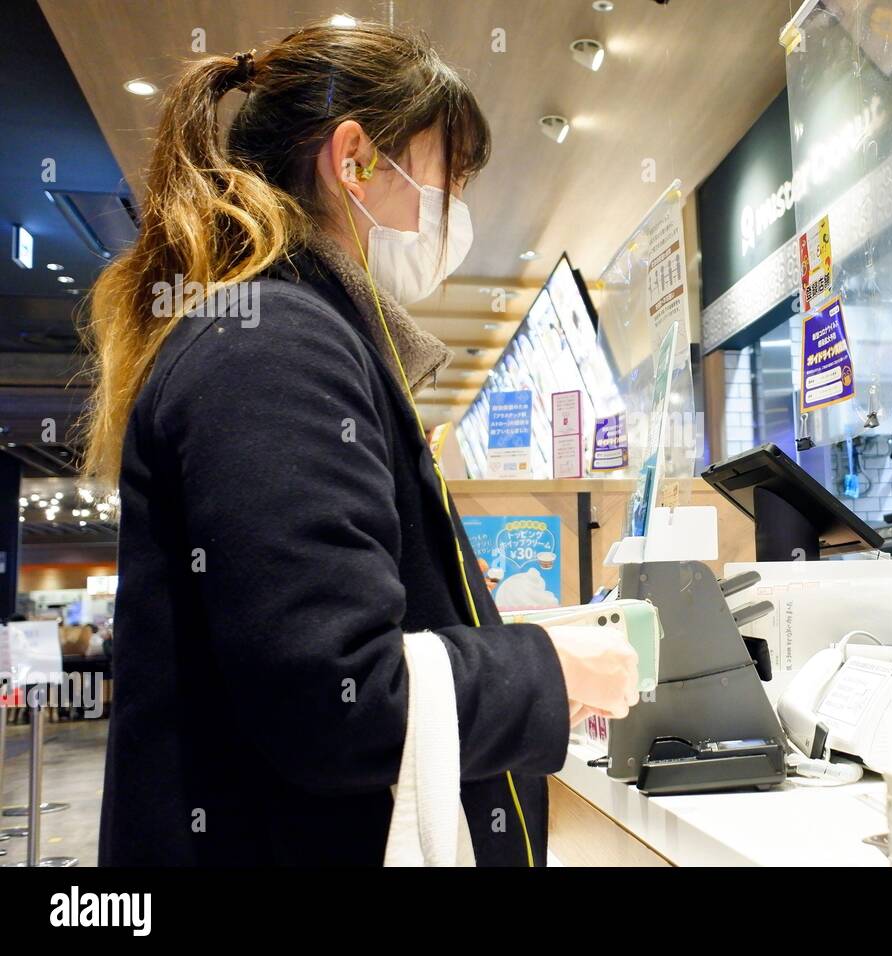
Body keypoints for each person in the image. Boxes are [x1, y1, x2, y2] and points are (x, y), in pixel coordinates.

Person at [84, 20, 639, 866]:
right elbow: (336, 702)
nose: (457, 213)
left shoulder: (280, 332)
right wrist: (549, 668)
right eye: (450, 178)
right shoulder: (273, 345)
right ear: (355, 160)